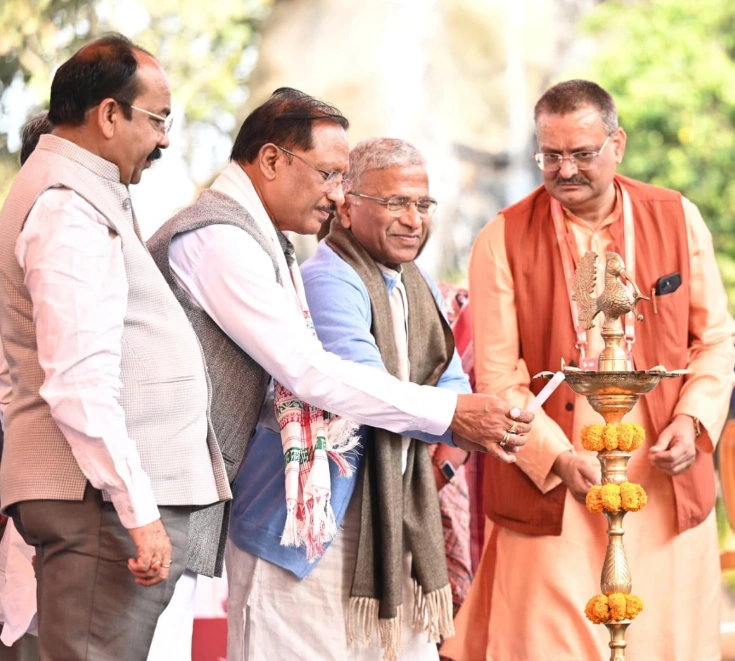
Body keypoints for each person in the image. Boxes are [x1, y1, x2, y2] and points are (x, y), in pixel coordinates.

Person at [146, 89, 534, 661]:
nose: (413, 219)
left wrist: (455, 424)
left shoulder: (407, 282)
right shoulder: (244, 245)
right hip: (288, 521)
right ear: (273, 160)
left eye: (423, 204)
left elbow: (446, 377)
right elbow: (317, 375)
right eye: (330, 175)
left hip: (360, 515)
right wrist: (452, 417)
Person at [442, 79, 735, 661]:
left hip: (663, 474)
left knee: (664, 644)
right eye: (551, 155)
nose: (566, 169)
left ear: (616, 145)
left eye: (582, 153)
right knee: (550, 645)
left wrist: (694, 423)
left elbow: (716, 341)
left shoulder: (677, 218)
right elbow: (498, 377)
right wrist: (556, 458)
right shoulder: (501, 237)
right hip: (554, 481)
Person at [0, 35, 230, 661]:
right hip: (95, 503)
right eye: (158, 120)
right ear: (108, 114)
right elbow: (78, 380)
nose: (164, 141)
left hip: (98, 502)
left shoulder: (81, 190)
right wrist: (138, 509)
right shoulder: (68, 205)